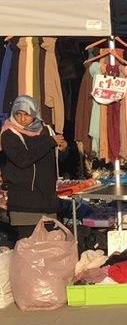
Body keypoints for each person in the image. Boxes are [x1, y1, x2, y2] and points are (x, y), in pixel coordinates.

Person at [0, 95, 66, 239]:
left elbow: (54, 160)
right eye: (18, 114)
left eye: (27, 114)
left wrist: (63, 149)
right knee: (29, 247)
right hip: (24, 203)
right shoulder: (9, 134)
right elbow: (22, 159)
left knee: (49, 246)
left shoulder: (46, 130)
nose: (22, 119)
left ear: (34, 113)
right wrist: (49, 143)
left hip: (47, 201)